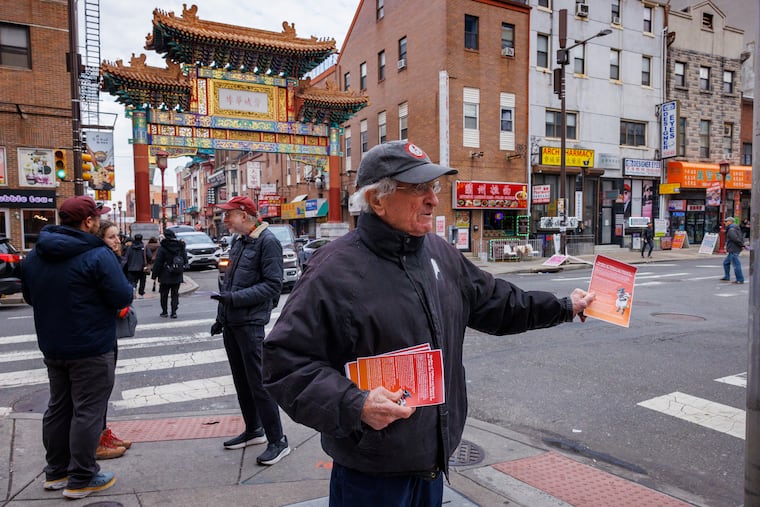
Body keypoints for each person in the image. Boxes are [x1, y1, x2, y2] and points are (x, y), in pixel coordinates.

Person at [262, 141, 595, 506]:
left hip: (432, 463)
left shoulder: (439, 253)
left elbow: (499, 303)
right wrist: (354, 404)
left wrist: (564, 307)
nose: (433, 200)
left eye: (432, 187)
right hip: (371, 474)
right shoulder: (334, 270)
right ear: (377, 200)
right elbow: (284, 363)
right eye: (418, 189)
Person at [21, 196, 133, 500]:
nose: (97, 222)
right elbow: (121, 296)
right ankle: (83, 476)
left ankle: (56, 471)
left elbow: (30, 296)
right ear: (88, 222)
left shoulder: (35, 255)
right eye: (96, 218)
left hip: (53, 345)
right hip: (91, 345)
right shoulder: (97, 254)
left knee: (59, 406)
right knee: (88, 411)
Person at [209, 195, 290, 466]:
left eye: (228, 214)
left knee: (258, 382)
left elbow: (272, 285)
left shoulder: (268, 242)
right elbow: (229, 283)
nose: (225, 220)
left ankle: (278, 440)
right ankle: (254, 429)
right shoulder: (240, 241)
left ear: (244, 215)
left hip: (251, 323)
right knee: (241, 381)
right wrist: (222, 317)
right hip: (233, 323)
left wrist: (234, 300)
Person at [95, 221, 132, 460]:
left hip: (105, 331)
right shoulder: (100, 261)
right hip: (98, 332)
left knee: (103, 390)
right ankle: (97, 440)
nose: (117, 241)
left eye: (117, 236)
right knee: (96, 393)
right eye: (111, 237)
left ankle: (103, 433)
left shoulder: (112, 259)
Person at [150, 229, 187, 318]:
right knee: (175, 294)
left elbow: (158, 262)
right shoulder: (180, 246)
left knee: (164, 294)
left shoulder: (163, 247)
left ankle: (164, 311)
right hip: (177, 273)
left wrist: (154, 275)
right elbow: (185, 259)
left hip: (164, 274)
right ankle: (174, 312)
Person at [124, 233, 151, 298]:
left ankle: (133, 289)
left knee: (133, 281)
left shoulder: (130, 247)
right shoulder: (144, 247)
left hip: (131, 267)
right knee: (142, 281)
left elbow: (126, 257)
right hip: (142, 267)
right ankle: (141, 293)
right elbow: (149, 256)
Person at [720, 217, 745, 284]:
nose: (725, 223)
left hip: (733, 248)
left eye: (726, 221)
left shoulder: (731, 229)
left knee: (736, 265)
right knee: (726, 263)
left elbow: (735, 238)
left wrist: (742, 245)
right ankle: (727, 276)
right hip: (733, 248)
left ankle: (740, 279)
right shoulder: (736, 228)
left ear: (730, 222)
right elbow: (741, 237)